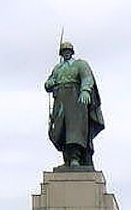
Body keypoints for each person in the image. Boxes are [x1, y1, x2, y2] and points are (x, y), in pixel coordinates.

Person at [44, 40, 104, 168]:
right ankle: (67, 159)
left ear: (72, 52)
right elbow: (48, 84)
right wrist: (50, 82)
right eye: (64, 51)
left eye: (68, 51)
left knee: (74, 130)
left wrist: (85, 91)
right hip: (60, 99)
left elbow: (87, 77)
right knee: (61, 130)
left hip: (75, 98)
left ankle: (75, 158)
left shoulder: (80, 64)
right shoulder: (57, 68)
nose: (66, 53)